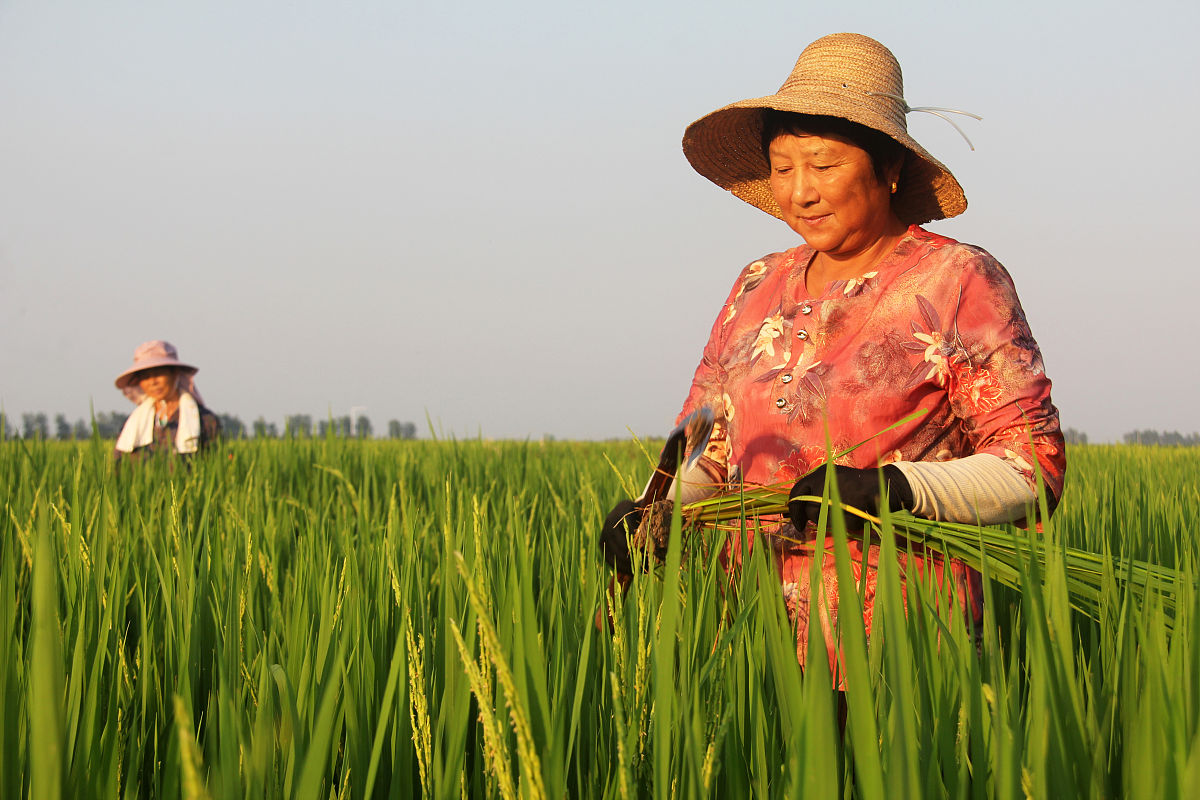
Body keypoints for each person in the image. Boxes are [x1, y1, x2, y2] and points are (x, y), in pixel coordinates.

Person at [600, 33, 1065, 669]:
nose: (799, 192)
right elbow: (710, 448)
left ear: (890, 169)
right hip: (749, 644)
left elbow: (1030, 469)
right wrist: (659, 513)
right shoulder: (755, 286)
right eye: (783, 167)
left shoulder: (958, 281)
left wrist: (892, 490)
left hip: (903, 645)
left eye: (823, 166)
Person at [113, 340, 221, 460]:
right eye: (146, 376)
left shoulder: (205, 420)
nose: (153, 382)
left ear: (175, 374)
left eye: (158, 374)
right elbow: (118, 467)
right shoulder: (132, 424)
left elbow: (215, 463)